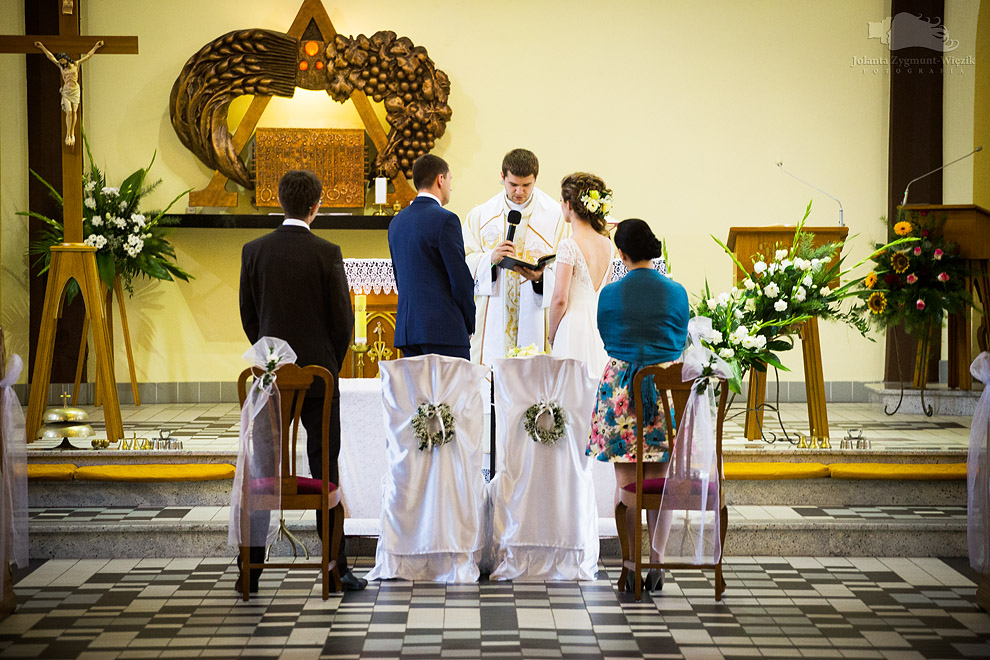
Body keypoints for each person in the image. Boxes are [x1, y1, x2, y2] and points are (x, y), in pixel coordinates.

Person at [239, 169, 366, 592]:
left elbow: (250, 316)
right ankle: (336, 567)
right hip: (319, 379)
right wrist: (325, 363)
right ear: (316, 207)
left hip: (270, 377)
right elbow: (342, 321)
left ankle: (252, 570)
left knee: (262, 466)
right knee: (325, 465)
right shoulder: (326, 251)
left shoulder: (254, 251)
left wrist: (272, 357)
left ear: (280, 202)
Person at [587, 218, 689, 592]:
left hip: (622, 390)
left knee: (627, 485)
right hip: (664, 386)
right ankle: (658, 561)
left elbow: (606, 334)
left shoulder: (610, 294)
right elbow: (680, 336)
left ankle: (630, 564)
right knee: (660, 481)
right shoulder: (676, 291)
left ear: (622, 252)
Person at [463, 149, 566, 364]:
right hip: (493, 317)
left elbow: (565, 267)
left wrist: (540, 278)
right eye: (513, 184)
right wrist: (489, 259)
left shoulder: (556, 217)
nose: (519, 191)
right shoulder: (482, 215)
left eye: (526, 185)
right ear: (502, 177)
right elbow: (465, 260)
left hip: (536, 316)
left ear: (536, 179)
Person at [389, 154, 476, 359]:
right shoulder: (446, 220)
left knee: (416, 392)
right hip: (444, 330)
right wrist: (468, 323)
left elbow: (400, 279)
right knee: (452, 392)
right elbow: (459, 280)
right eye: (450, 180)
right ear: (440, 179)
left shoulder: (397, 222)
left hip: (408, 332)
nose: (451, 188)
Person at [548, 173, 614, 378]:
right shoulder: (607, 244)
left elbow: (560, 298)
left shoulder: (569, 245)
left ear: (569, 204)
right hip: (598, 325)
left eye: (561, 201)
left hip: (573, 326)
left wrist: (552, 335)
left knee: (571, 392)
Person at [35, 40, 103, 147]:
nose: (62, 63)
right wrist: (42, 47)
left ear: (66, 58)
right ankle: (68, 135)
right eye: (60, 61)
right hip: (66, 91)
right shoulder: (61, 66)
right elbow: (50, 57)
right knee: (69, 112)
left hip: (75, 90)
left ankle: (72, 134)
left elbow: (88, 56)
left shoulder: (76, 64)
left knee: (74, 111)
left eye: (62, 60)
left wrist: (96, 47)